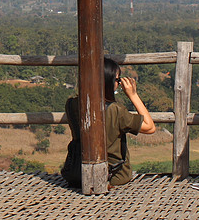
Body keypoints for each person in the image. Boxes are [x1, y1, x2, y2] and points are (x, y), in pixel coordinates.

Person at [61, 57, 157, 189]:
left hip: (78, 172)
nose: (119, 83)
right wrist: (133, 95)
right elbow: (150, 127)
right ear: (108, 81)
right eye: (117, 79)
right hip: (114, 175)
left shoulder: (71, 104)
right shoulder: (115, 110)